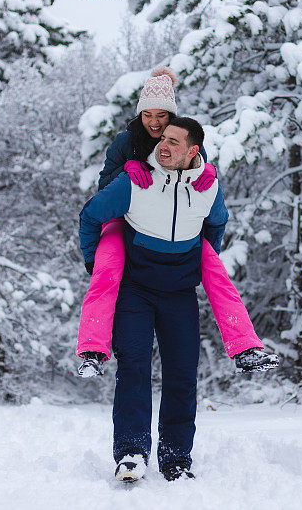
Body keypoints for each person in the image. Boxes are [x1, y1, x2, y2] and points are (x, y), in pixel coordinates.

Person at [76, 67, 278, 378]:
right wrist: (128, 169)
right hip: (122, 218)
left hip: (177, 226)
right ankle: (92, 351)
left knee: (215, 271)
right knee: (107, 270)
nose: (155, 123)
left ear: (172, 115)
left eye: (161, 115)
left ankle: (245, 348)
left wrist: (207, 174)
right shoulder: (124, 141)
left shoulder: (183, 136)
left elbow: (198, 170)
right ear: (140, 114)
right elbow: (103, 190)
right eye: (148, 115)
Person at [79, 117, 230, 481]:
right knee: (134, 367)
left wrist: (198, 260)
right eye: (163, 138)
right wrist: (93, 261)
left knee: (181, 374)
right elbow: (90, 214)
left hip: (180, 293)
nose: (163, 145)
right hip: (136, 290)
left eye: (174, 142)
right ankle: (131, 451)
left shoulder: (207, 186)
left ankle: (176, 457)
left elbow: (217, 223)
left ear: (193, 151)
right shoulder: (135, 180)